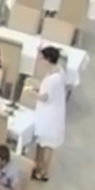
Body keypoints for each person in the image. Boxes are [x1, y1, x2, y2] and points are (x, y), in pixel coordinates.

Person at [27, 44, 69, 180]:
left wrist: (32, 93)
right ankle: (38, 166)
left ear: (48, 59)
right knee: (44, 142)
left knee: (47, 143)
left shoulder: (53, 79)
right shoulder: (59, 71)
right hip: (52, 111)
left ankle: (43, 170)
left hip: (49, 113)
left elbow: (45, 97)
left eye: (42, 58)